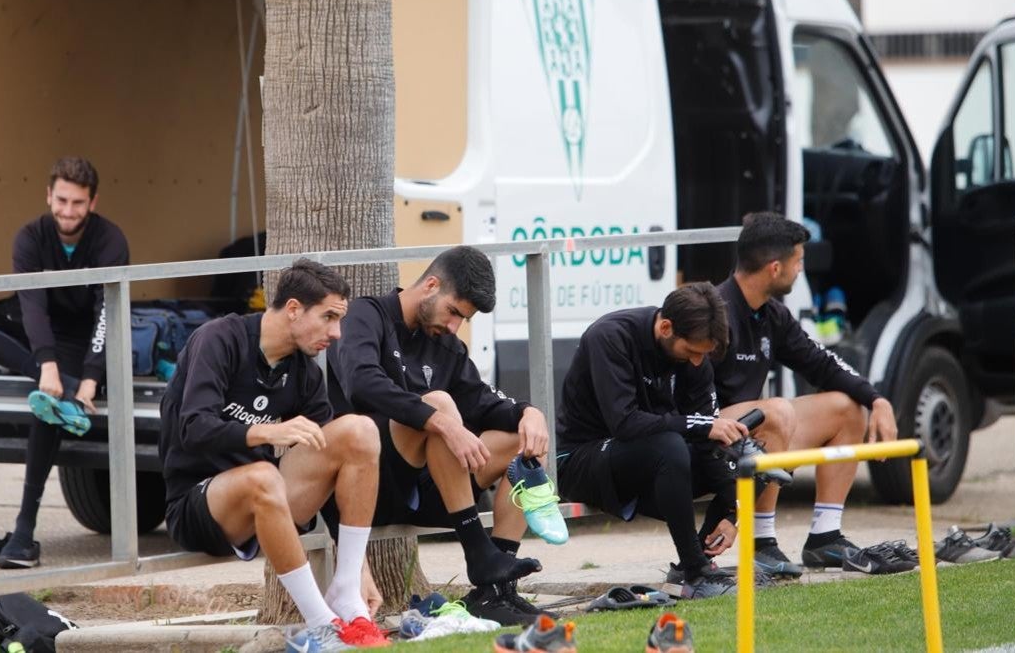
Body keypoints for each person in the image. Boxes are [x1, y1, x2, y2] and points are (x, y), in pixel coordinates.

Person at [326, 246, 562, 625]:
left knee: (523, 441)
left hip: (435, 491)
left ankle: (494, 591)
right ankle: (478, 552)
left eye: (463, 319)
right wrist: (443, 422)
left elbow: (483, 401)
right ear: (431, 285)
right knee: (438, 405)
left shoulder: (446, 346)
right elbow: (360, 384)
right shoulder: (366, 316)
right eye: (454, 312)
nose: (455, 327)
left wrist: (528, 412)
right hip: (368, 489)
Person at [159, 259, 389, 649]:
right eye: (328, 317)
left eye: (339, 320)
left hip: (271, 505)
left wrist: (360, 565)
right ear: (294, 309)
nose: (335, 333)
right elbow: (193, 428)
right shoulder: (220, 338)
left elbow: (332, 473)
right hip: (200, 507)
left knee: (359, 431)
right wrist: (269, 430)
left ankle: (347, 595)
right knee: (263, 475)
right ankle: (321, 626)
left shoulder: (304, 372)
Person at [0, 156, 128, 569]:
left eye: (78, 203)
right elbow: (32, 307)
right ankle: (58, 387)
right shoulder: (30, 237)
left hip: (86, 338)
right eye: (61, 200)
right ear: (48, 195)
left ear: (93, 202)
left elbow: (107, 315)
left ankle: (24, 532)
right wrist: (46, 368)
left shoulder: (110, 240)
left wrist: (90, 380)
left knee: (44, 410)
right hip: (44, 334)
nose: (68, 212)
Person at [713, 212, 898, 575]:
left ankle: (825, 537)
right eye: (798, 262)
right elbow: (691, 404)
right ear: (774, 268)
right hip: (708, 440)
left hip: (753, 439)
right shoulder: (715, 310)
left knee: (848, 407)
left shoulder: (772, 314)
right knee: (776, 413)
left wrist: (877, 399)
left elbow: (823, 363)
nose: (801, 271)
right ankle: (760, 543)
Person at [555, 283, 748, 599]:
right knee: (670, 446)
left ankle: (693, 568)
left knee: (748, 460)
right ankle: (697, 573)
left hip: (648, 457)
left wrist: (732, 510)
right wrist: (700, 426)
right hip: (582, 458)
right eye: (692, 352)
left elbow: (706, 440)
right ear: (666, 327)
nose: (698, 362)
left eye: (704, 355)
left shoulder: (695, 357)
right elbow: (625, 423)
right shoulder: (610, 335)